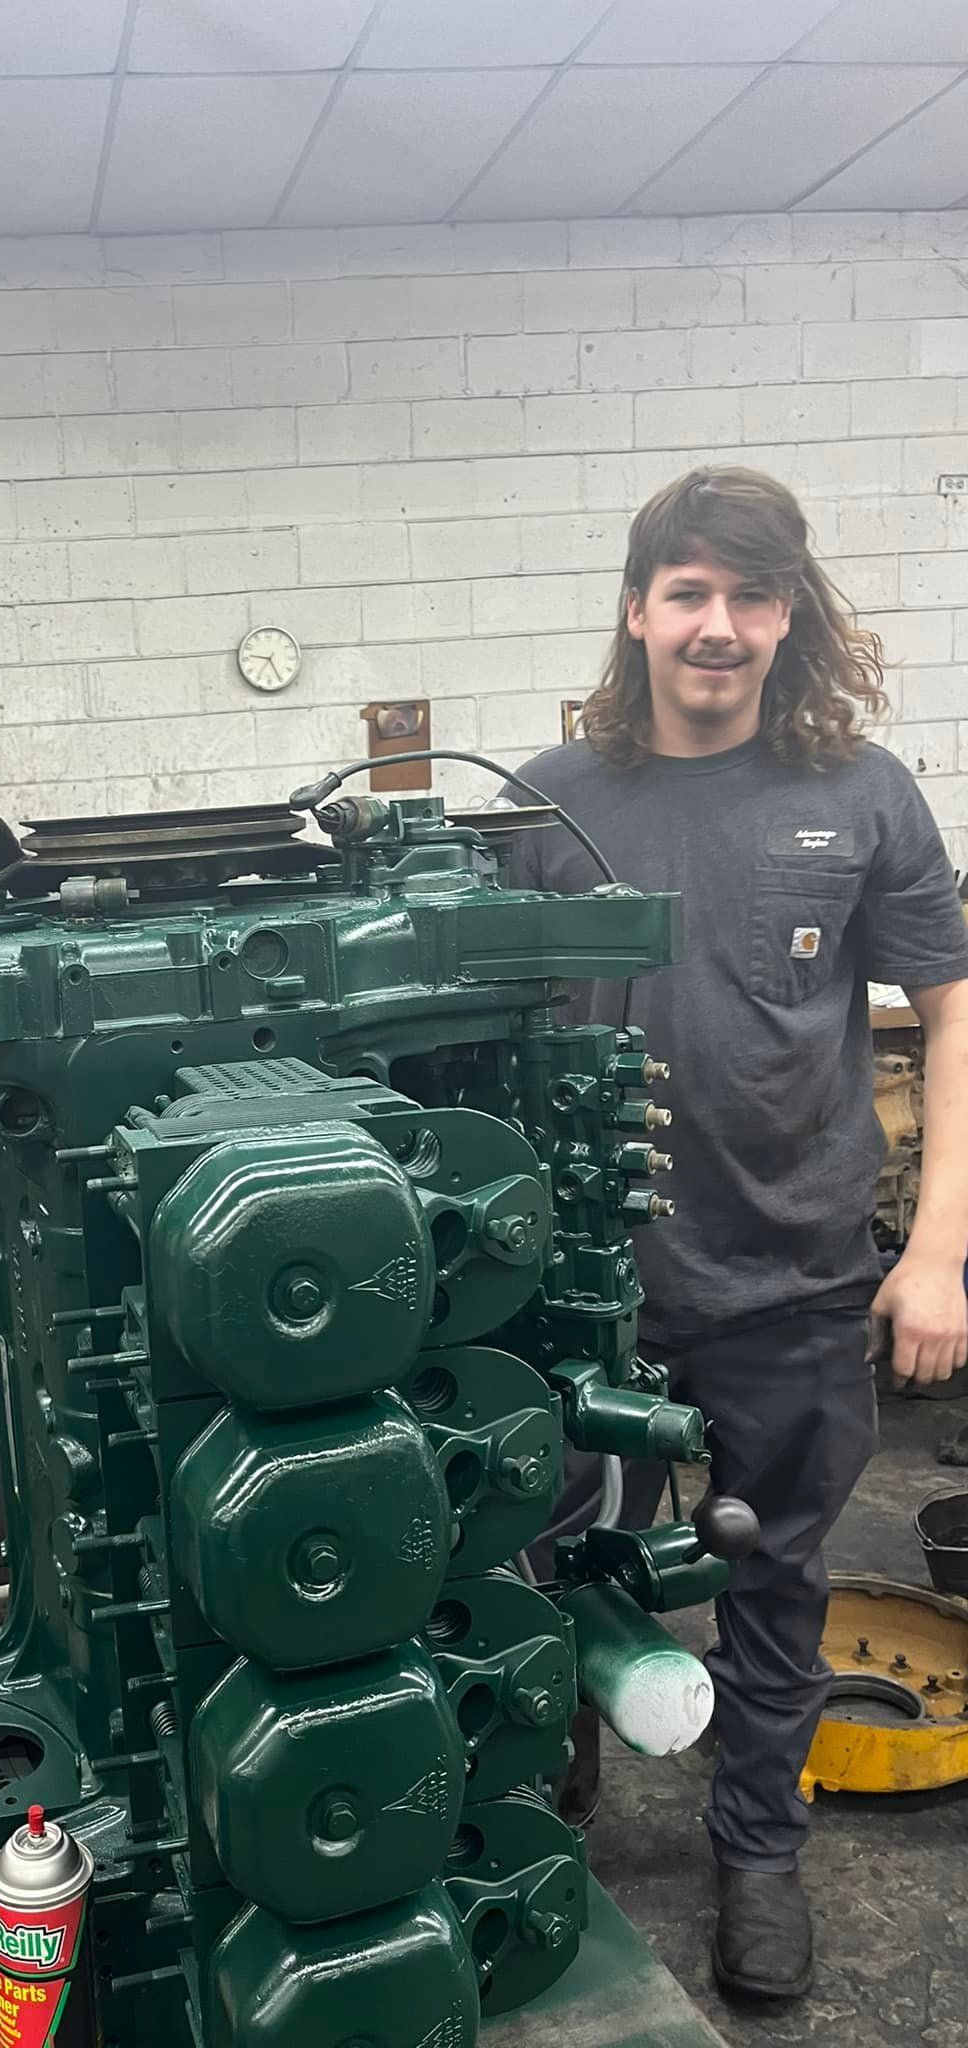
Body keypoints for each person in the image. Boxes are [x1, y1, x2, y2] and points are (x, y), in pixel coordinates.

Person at [508, 467, 968, 2002]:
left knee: (772, 1576)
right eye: (688, 592)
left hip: (791, 1274)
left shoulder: (861, 794)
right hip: (581, 1290)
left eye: (750, 594)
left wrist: (939, 1251)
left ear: (790, 614)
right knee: (547, 1556)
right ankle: (540, 1793)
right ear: (637, 608)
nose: (719, 625)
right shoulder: (546, 806)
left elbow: (951, 1012)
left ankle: (758, 1849)